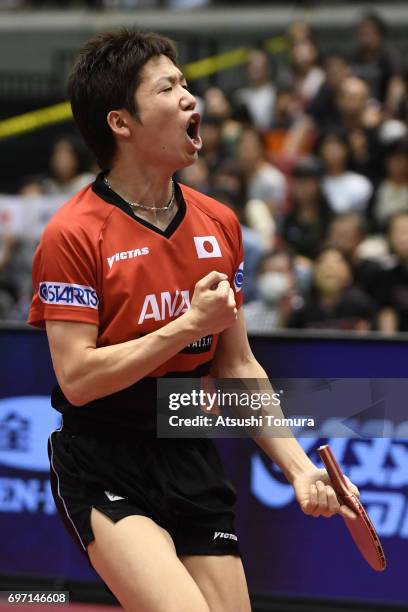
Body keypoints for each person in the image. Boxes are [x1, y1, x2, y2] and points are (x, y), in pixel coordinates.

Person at [28, 30, 358, 612]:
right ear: (121, 123)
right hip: (105, 454)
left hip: (185, 447)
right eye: (167, 87)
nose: (189, 96)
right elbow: (77, 378)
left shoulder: (218, 223)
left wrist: (300, 468)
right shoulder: (74, 234)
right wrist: (185, 326)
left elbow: (235, 366)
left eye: (184, 82)